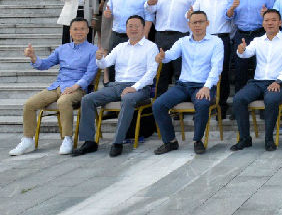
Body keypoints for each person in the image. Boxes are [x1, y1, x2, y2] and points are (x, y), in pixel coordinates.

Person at [73, 15, 158, 157]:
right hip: (117, 86)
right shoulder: (120, 47)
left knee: (128, 99)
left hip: (139, 88)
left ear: (143, 28)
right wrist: (99, 58)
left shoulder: (151, 47)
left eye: (136, 26)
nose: (133, 29)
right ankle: (89, 142)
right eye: (130, 26)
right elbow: (105, 64)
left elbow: (151, 72)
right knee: (87, 99)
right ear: (126, 29)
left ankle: (117, 142)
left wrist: (135, 87)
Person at [10, 18, 98, 156]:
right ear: (70, 31)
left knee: (63, 101)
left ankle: (67, 138)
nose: (79, 32)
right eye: (75, 29)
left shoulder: (93, 50)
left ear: (88, 30)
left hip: (77, 88)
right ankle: (28, 140)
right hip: (57, 86)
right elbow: (44, 64)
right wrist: (33, 57)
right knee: (29, 104)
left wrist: (75, 86)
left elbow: (90, 74)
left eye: (82, 28)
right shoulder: (63, 49)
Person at [151, 10, 224, 155]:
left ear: (207, 23)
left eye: (200, 22)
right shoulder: (183, 41)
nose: (197, 25)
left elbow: (216, 68)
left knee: (202, 104)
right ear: (189, 25)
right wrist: (162, 56)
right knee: (158, 104)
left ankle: (198, 140)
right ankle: (170, 141)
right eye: (194, 22)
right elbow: (171, 54)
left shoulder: (216, 42)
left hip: (203, 85)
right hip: (183, 86)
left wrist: (206, 87)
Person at [231, 9, 282, 152]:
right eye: (266, 20)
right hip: (258, 82)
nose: (270, 23)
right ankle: (245, 138)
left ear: (280, 22)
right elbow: (246, 53)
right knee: (238, 99)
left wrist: (278, 81)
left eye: (273, 20)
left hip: (278, 82)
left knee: (271, 100)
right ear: (262, 23)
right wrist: (241, 50)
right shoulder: (258, 40)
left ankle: (269, 139)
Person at [144, 0, 199, 96]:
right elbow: (151, 11)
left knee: (180, 71)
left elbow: (194, 15)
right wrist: (149, 4)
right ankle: (159, 102)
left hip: (181, 36)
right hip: (161, 35)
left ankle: (180, 102)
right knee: (161, 71)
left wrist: (191, 15)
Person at [192, 0, 235, 116]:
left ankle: (221, 105)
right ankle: (204, 104)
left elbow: (233, 19)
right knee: (204, 72)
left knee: (223, 73)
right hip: (205, 40)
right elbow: (191, 16)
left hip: (223, 39)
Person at [230, 0, 276, 93]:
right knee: (240, 69)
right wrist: (232, 7)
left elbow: (274, 17)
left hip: (260, 34)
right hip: (241, 34)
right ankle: (239, 99)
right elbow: (228, 16)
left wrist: (266, 14)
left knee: (260, 67)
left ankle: (261, 97)